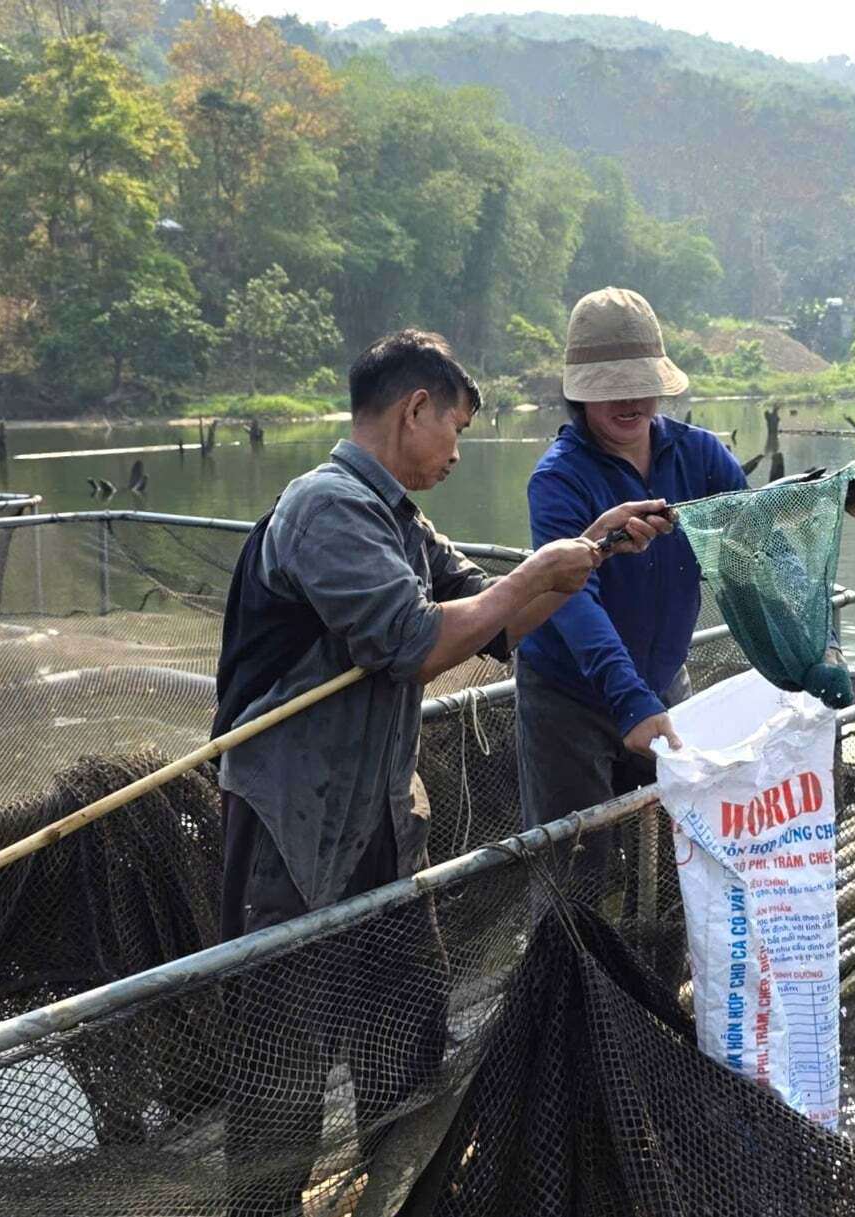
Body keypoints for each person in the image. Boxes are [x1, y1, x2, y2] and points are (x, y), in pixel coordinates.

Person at [213, 329, 672, 1216]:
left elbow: (496, 627)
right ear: (412, 409)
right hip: (290, 827)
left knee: (408, 1033)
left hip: (382, 819)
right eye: (453, 429)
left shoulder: (399, 519)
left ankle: (389, 1195)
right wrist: (535, 570)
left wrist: (590, 553)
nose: (457, 453)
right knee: (284, 1058)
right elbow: (413, 643)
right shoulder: (327, 506)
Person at [514, 287, 748, 880]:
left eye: (639, 382)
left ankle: (662, 971)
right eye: (607, 387)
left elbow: (750, 546)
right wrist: (629, 700)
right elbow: (575, 604)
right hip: (569, 700)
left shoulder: (700, 458)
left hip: (663, 682)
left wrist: (805, 643)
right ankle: (568, 969)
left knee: (678, 857)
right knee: (576, 869)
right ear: (578, 393)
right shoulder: (559, 480)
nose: (628, 399)